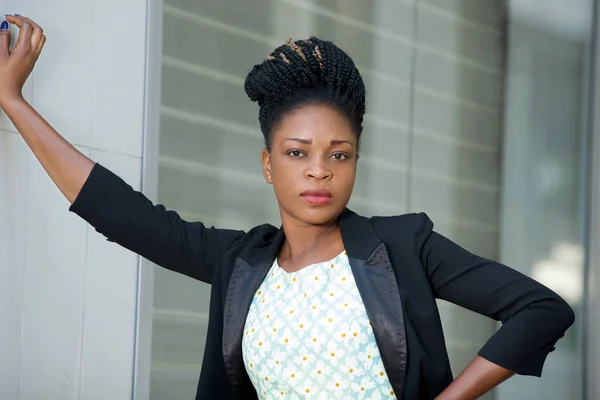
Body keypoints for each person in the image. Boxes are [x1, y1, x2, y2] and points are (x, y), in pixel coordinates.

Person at [0, 15, 575, 400]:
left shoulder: (403, 246)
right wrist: (12, 100)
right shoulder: (239, 263)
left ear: (355, 163)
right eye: (298, 153)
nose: (320, 169)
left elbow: (540, 309)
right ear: (269, 165)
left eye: (339, 154)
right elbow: (117, 209)